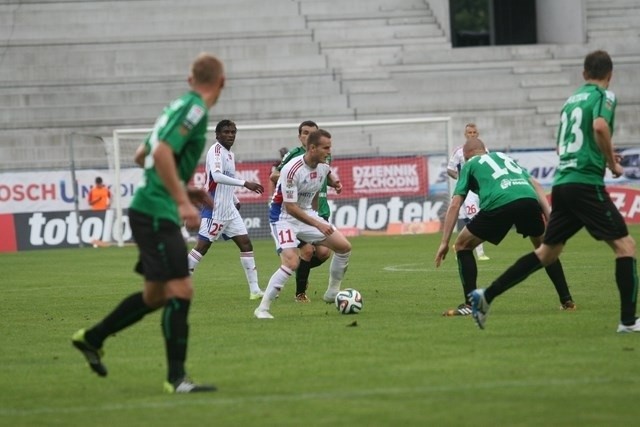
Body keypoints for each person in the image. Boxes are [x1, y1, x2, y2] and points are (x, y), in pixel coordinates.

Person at [72, 53, 226, 393]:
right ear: (222, 81)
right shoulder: (196, 110)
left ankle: (92, 338)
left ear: (190, 79)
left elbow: (142, 154)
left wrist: (183, 187)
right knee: (181, 290)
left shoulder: (174, 107)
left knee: (155, 296)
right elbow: (158, 156)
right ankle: (177, 379)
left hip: (151, 208)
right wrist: (183, 200)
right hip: (157, 212)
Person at [469, 50, 639, 332]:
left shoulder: (570, 102)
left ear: (584, 74)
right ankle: (629, 322)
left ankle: (486, 296)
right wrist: (612, 164)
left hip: (563, 185)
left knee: (547, 252)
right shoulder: (604, 96)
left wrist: (604, 154)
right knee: (626, 247)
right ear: (610, 74)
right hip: (586, 184)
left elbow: (563, 147)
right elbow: (599, 126)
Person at [435, 137, 575, 317]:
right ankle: (567, 301)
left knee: (462, 245)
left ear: (466, 156)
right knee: (545, 250)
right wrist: (550, 217)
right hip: (528, 199)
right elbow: (537, 184)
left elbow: (455, 205)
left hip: (499, 203)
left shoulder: (469, 165)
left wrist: (444, 242)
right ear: (485, 150)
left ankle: (471, 305)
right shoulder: (503, 157)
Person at [255, 129, 348, 319]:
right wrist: (318, 224)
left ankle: (332, 292)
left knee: (344, 247)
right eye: (326, 147)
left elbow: (327, 174)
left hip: (305, 213)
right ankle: (262, 309)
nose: (329, 151)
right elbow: (290, 207)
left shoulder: (323, 165)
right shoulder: (291, 169)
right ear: (312, 148)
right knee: (291, 261)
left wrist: (335, 182)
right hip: (283, 217)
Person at [187, 119, 265, 300]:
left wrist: (235, 198)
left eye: (233, 132)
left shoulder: (229, 154)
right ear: (217, 135)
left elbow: (226, 180)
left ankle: (254, 290)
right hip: (215, 208)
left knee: (246, 244)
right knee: (202, 247)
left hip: (229, 208)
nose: (230, 135)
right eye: (226, 132)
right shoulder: (215, 151)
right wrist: (245, 183)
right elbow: (216, 176)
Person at [269, 120, 331, 303]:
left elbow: (327, 172)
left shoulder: (325, 155)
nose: (307, 136)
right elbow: (274, 175)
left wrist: (334, 182)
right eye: (304, 133)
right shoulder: (294, 156)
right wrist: (294, 180)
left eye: (312, 133)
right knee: (307, 251)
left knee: (324, 253)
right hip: (295, 213)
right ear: (300, 137)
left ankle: (293, 272)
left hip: (318, 211)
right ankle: (300, 293)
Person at [447, 123, 489, 261]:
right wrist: (461, 178)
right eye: (469, 133)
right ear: (465, 135)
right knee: (473, 218)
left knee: (470, 219)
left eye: (474, 132)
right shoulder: (459, 151)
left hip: (480, 188)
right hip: (467, 190)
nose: (471, 135)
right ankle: (480, 253)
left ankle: (459, 245)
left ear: (477, 134)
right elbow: (450, 169)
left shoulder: (485, 150)